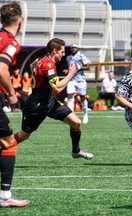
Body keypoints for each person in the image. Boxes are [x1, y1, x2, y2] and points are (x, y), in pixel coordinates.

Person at [14, 38, 94, 166]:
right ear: (54, 51)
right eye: (62, 52)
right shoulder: (48, 64)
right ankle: (4, 146)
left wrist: (32, 67)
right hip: (36, 107)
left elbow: (33, 68)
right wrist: (71, 74)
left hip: (50, 103)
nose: (64, 54)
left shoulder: (43, 59)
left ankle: (76, 151)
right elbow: (57, 88)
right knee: (24, 136)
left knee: (76, 123)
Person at [0, 2, 29, 207]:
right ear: (19, 21)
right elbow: (1, 69)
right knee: (9, 142)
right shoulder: (10, 42)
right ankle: (4, 196)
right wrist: (11, 93)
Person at [65, 43, 90, 124]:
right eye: (72, 48)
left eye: (75, 48)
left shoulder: (81, 56)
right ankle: (71, 116)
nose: (74, 49)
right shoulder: (68, 57)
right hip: (72, 79)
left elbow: (88, 67)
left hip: (80, 80)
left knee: (82, 97)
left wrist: (79, 67)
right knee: (70, 96)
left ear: (78, 49)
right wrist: (67, 71)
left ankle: (85, 113)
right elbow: (70, 68)